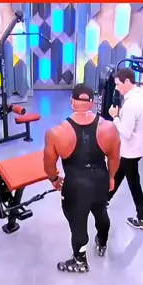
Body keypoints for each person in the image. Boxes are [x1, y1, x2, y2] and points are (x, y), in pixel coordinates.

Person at [44, 83, 120, 273]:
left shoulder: (56, 133)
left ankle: (79, 260)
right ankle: (102, 242)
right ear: (92, 103)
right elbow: (114, 158)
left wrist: (54, 179)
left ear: (72, 101)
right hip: (100, 179)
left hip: (76, 184)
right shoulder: (109, 128)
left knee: (77, 222)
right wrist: (111, 177)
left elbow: (49, 165)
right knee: (101, 211)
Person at [108, 67, 143, 229]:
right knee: (120, 172)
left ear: (127, 81)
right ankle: (106, 198)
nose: (116, 88)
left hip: (130, 149)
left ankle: (142, 217)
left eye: (118, 84)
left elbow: (125, 132)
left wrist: (115, 117)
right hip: (140, 146)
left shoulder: (131, 104)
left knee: (133, 182)